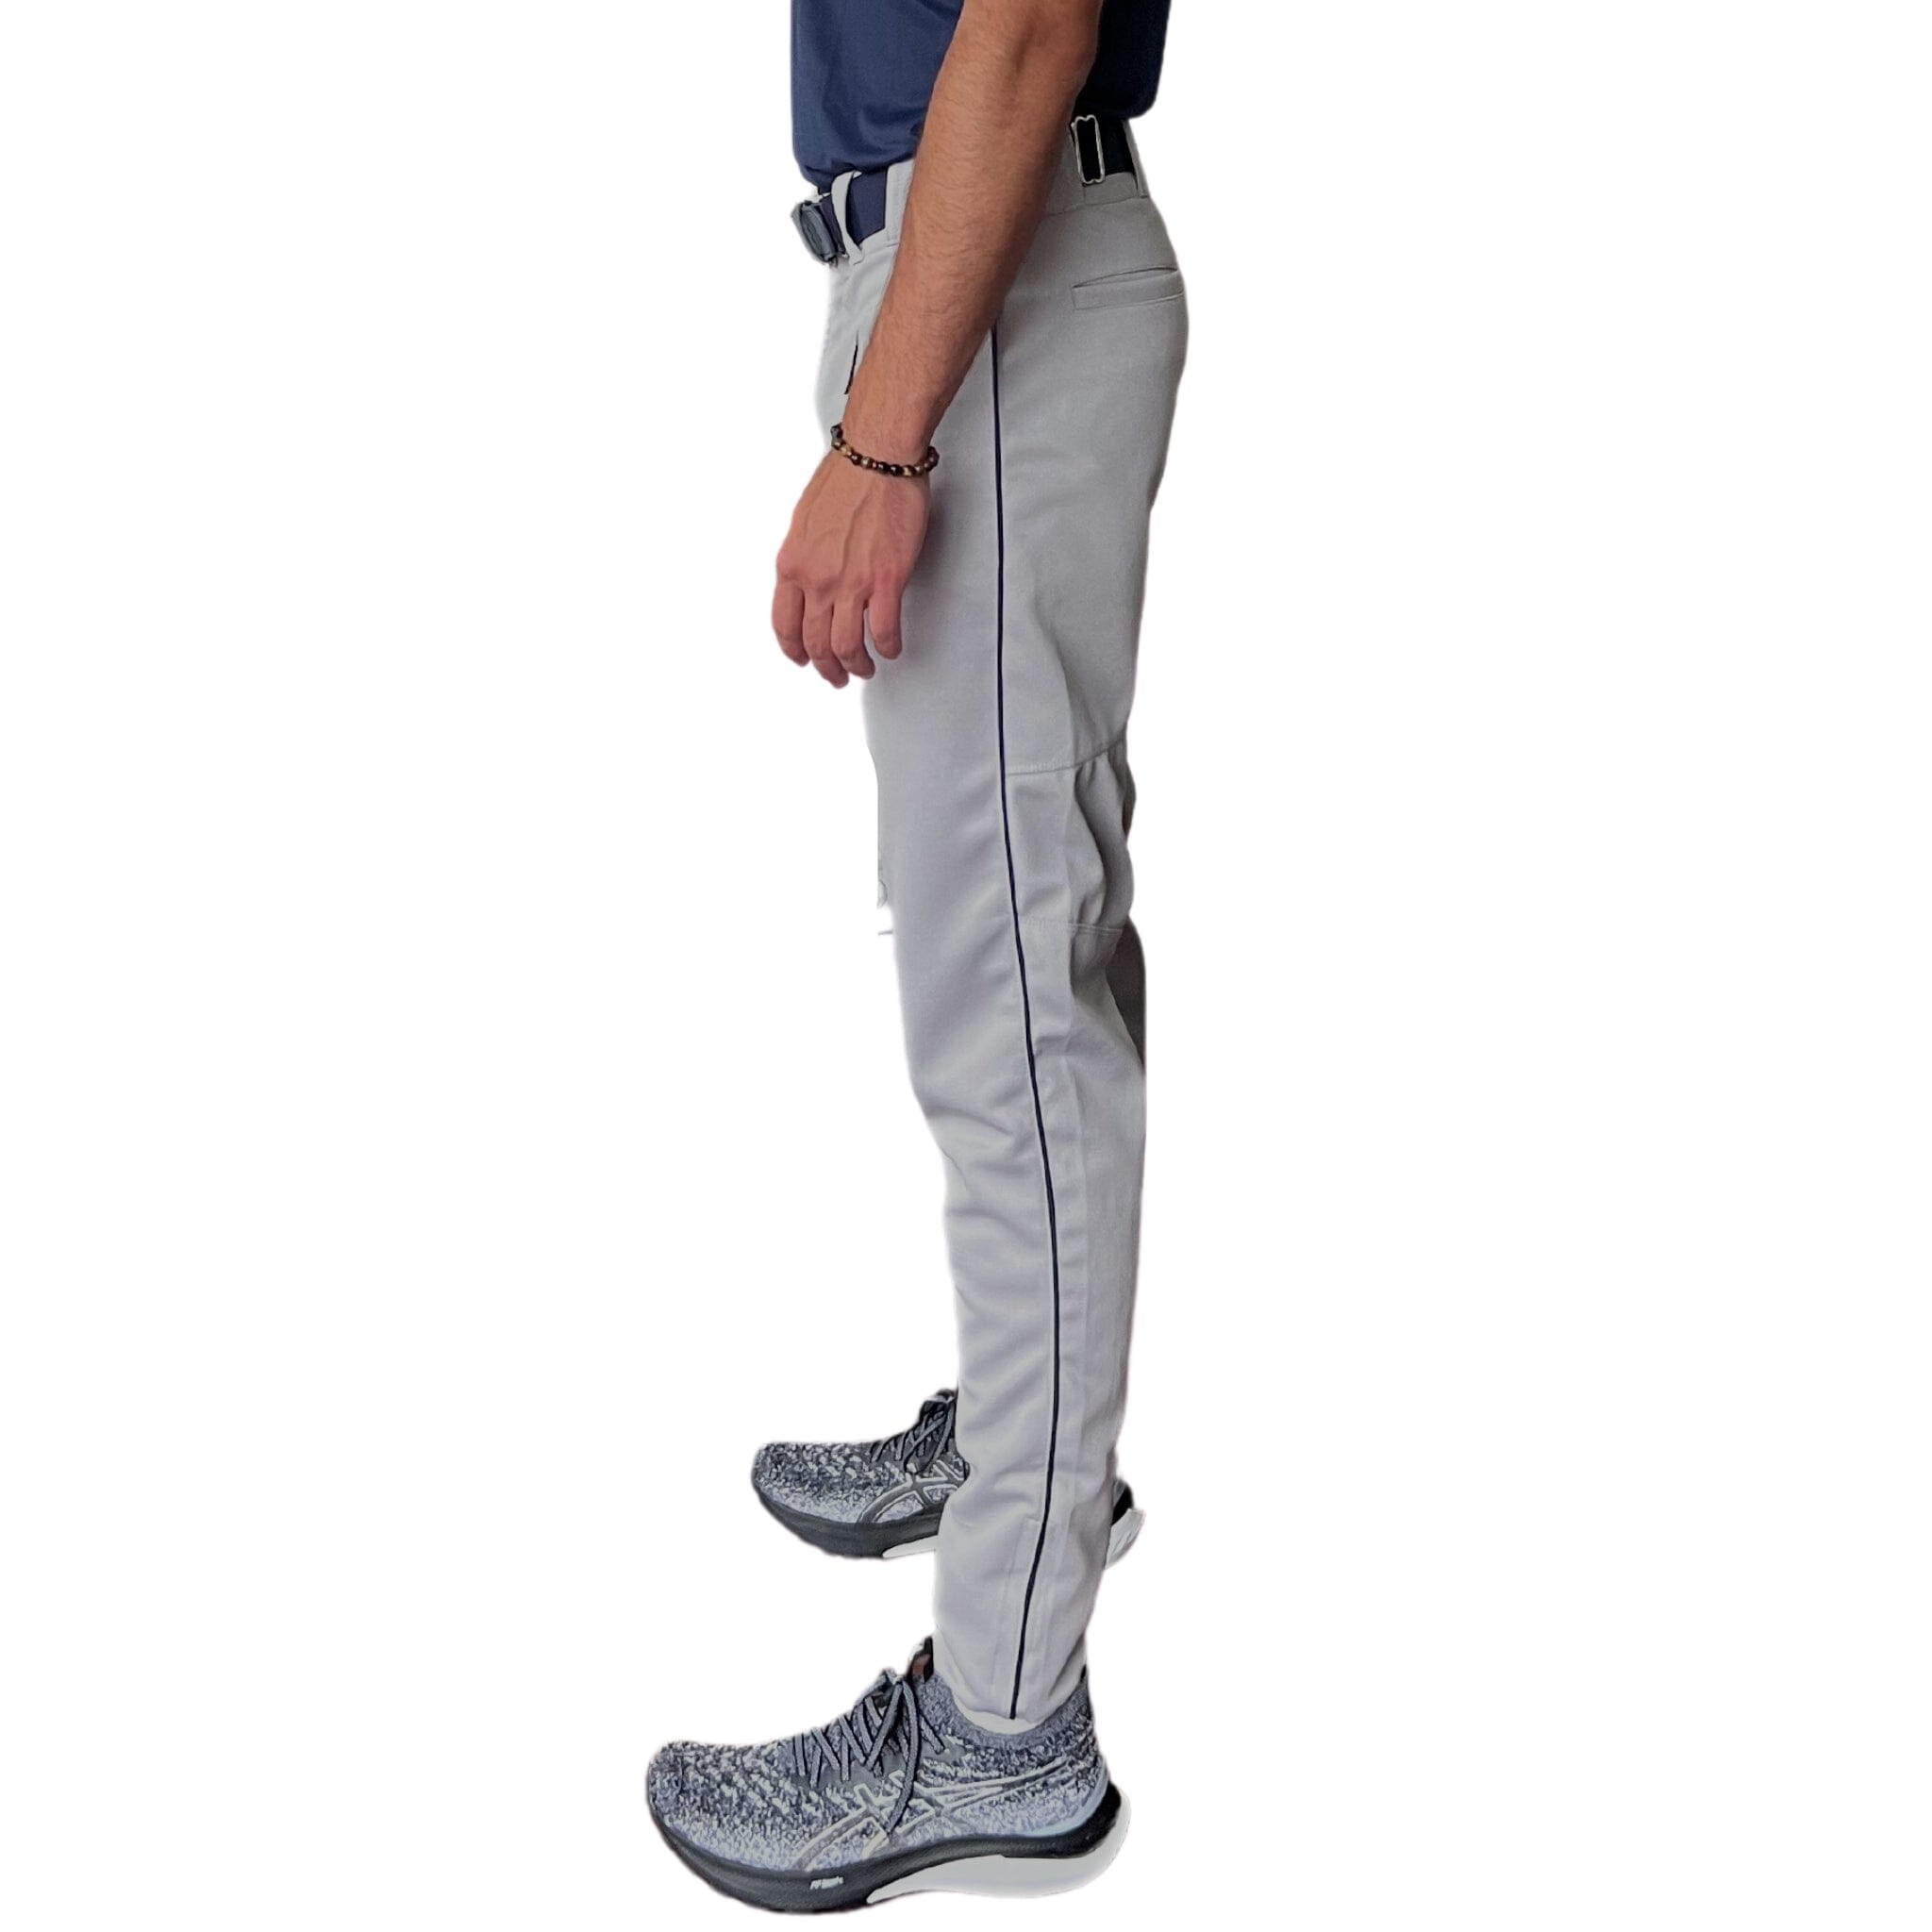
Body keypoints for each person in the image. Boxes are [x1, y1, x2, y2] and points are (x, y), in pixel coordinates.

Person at [648, 0, 1184, 1908]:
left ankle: (1005, 1719)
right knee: (1020, 959)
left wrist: (883, 440)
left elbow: (1029, 20)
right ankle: (1030, 1457)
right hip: (993, 271)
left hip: (987, 290)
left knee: (1010, 1020)